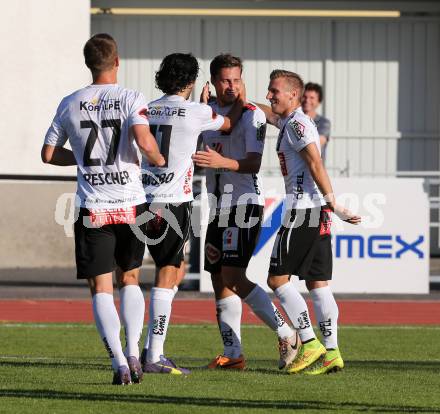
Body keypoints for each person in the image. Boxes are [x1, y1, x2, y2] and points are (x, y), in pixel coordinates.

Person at [41, 33, 165, 385]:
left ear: (89, 64)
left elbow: (48, 154)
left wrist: (81, 160)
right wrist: (157, 157)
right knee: (130, 279)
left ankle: (118, 365)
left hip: (93, 206)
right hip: (130, 203)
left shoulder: (70, 102)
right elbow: (143, 139)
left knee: (100, 287)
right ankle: (132, 351)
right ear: (117, 61)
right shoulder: (129, 97)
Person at [139, 53, 245, 375]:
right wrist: (239, 98)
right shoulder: (197, 112)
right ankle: (153, 354)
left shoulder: (146, 108)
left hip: (139, 199)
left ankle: (139, 349)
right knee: (167, 271)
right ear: (191, 81)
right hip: (172, 201)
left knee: (158, 271)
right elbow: (229, 123)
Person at [192, 54, 300, 371]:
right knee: (218, 278)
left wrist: (221, 163)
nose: (231, 86)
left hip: (244, 205)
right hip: (217, 209)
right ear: (213, 81)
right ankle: (233, 352)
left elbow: (253, 162)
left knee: (235, 276)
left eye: (236, 79)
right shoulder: (207, 114)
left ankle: (287, 333)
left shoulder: (252, 114)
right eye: (226, 80)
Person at [258, 70, 360, 374]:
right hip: (315, 213)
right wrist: (240, 100)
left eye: (274, 91)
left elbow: (315, 162)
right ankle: (332, 352)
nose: (269, 95)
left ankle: (309, 341)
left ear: (293, 95)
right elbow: (265, 113)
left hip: (303, 212)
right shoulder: (291, 120)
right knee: (318, 284)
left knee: (277, 280)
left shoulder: (298, 124)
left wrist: (333, 202)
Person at [302, 82, 331, 163]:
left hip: (315, 172)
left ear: (319, 101)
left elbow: (317, 145)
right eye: (304, 97)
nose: (307, 100)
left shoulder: (323, 123)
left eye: (312, 98)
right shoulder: (293, 119)